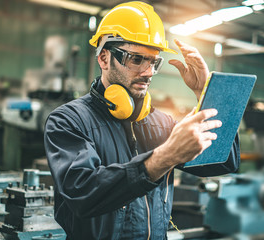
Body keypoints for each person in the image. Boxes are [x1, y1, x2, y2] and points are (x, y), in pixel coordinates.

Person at [44, 1, 240, 239]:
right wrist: (163, 158)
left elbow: (222, 162)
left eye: (153, 62)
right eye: (136, 59)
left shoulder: (161, 123)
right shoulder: (69, 120)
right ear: (104, 58)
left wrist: (208, 96)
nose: (148, 72)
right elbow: (83, 193)